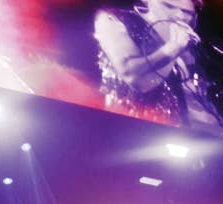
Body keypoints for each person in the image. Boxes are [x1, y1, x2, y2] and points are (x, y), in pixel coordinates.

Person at [94, 0, 222, 129]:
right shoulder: (113, 19)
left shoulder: (191, 51)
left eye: (187, 12)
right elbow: (135, 77)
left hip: (180, 134)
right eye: (169, 6)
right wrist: (174, 47)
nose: (180, 16)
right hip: (132, 130)